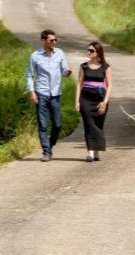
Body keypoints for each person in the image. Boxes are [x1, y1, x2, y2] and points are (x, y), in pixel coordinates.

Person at [26, 29, 71, 160]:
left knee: (57, 125)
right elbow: (30, 74)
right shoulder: (35, 56)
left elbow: (64, 70)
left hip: (56, 93)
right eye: (51, 40)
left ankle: (50, 145)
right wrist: (32, 91)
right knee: (43, 124)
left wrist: (67, 72)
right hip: (41, 93)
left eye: (55, 40)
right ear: (43, 41)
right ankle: (46, 152)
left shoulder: (60, 53)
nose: (54, 42)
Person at [78, 41, 113, 161]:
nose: (89, 52)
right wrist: (77, 101)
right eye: (88, 50)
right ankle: (91, 152)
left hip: (100, 99)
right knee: (89, 124)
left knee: (98, 125)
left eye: (91, 50)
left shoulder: (105, 67)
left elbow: (109, 86)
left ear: (98, 52)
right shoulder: (84, 66)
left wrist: (105, 102)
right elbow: (79, 84)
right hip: (85, 99)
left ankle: (97, 151)